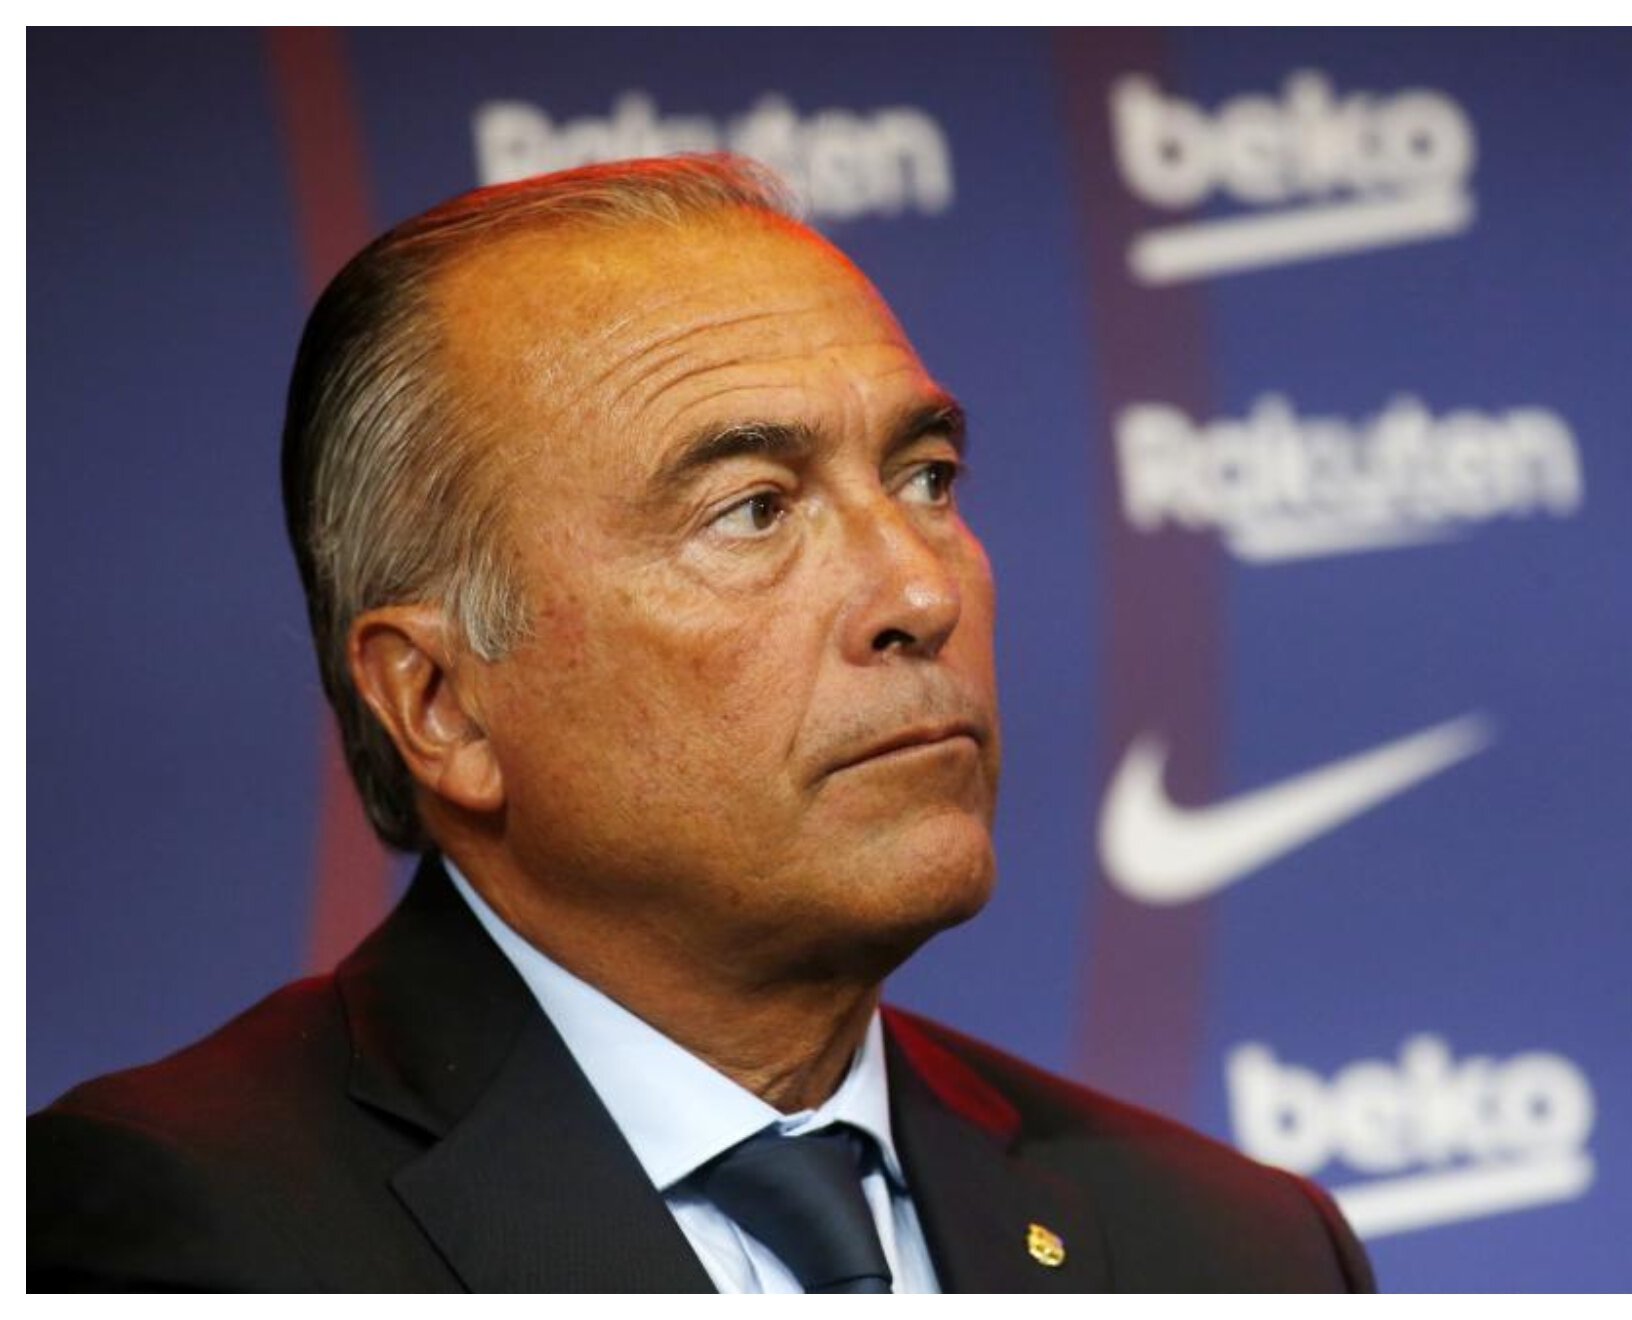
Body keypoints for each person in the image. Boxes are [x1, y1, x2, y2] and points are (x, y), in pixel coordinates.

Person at [28, 156, 1375, 1293]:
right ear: (440, 704)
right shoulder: (180, 1233)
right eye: (754, 510)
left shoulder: (1233, 1251)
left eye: (926, 477)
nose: (920, 592)